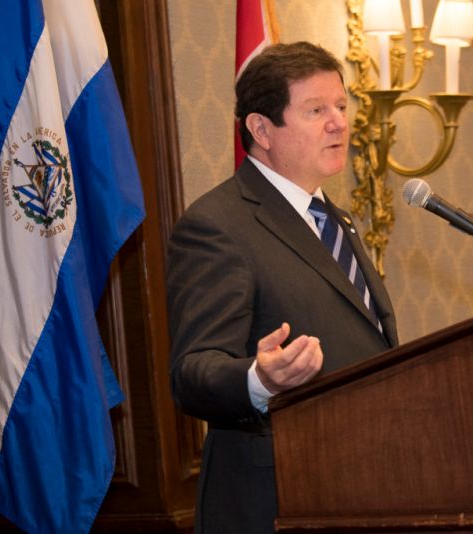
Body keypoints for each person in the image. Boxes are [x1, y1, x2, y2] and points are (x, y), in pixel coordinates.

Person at [166, 42, 399, 533]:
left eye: (340, 106)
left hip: (362, 485)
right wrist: (260, 379)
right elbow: (193, 372)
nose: (339, 123)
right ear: (261, 130)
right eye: (316, 110)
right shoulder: (218, 225)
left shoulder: (336, 220)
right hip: (276, 502)